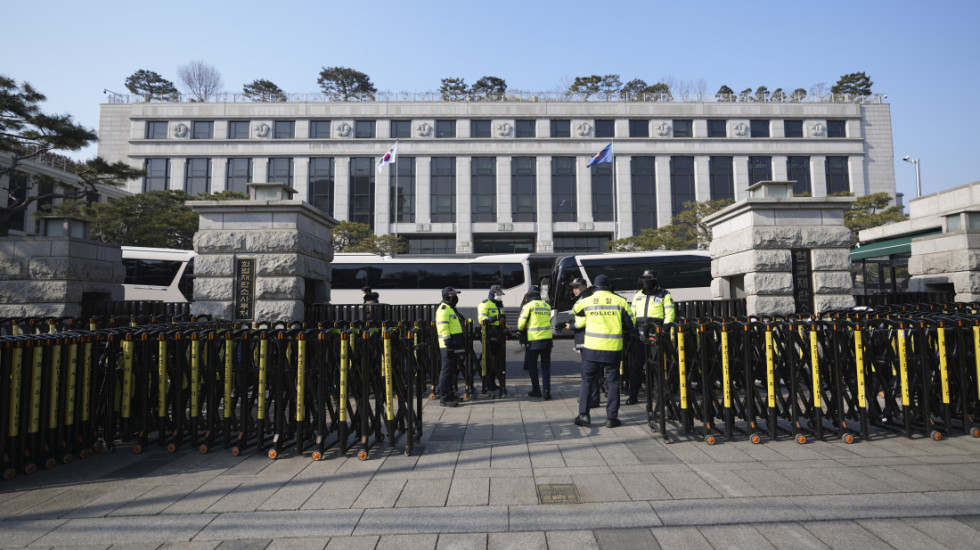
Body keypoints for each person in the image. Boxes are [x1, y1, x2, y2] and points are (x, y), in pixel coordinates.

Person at [571, 274, 635, 428]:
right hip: (612, 349)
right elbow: (630, 323)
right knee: (613, 383)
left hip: (592, 349)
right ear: (609, 286)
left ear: (595, 286)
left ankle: (584, 415)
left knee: (587, 381)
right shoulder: (620, 301)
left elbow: (575, 310)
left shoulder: (587, 300)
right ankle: (611, 419)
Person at [627, 269, 675, 405]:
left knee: (658, 367)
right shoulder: (638, 295)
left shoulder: (664, 294)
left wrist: (664, 330)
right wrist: (632, 329)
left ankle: (659, 396)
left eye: (649, 279)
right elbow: (632, 314)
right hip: (640, 335)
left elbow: (669, 314)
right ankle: (633, 396)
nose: (646, 281)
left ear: (655, 279)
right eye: (644, 279)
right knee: (636, 367)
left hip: (656, 334)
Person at [517, 285, 553, 399]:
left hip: (534, 341)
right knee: (545, 367)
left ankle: (536, 390)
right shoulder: (547, 306)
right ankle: (546, 391)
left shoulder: (528, 306)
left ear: (529, 294)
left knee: (532, 366)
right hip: (547, 340)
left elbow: (521, 325)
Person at [436, 286, 465, 407]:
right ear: (446, 296)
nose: (456, 297)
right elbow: (443, 328)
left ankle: (450, 394)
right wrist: (448, 343)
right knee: (446, 371)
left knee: (452, 371)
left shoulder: (450, 309)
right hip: (448, 346)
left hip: (454, 344)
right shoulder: (443, 309)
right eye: (453, 295)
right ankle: (444, 398)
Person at [477, 284, 506, 395]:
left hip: (499, 333)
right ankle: (488, 383)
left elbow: (502, 318)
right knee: (490, 359)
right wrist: (494, 318)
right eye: (498, 294)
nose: (500, 296)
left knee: (497, 360)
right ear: (493, 293)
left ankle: (493, 382)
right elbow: (481, 319)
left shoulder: (499, 304)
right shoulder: (484, 304)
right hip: (489, 333)